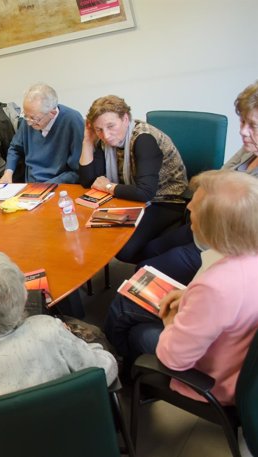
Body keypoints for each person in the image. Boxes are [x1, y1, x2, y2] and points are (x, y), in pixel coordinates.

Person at [105, 82, 258, 368]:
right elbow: (218, 180)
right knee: (147, 255)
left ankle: (122, 362)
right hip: (206, 231)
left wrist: (176, 312)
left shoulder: (221, 280)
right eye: (242, 122)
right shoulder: (249, 152)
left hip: (217, 246)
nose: (243, 131)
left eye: (252, 125)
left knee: (139, 282)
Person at [0, 251, 116, 404]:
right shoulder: (47, 330)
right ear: (22, 300)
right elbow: (104, 373)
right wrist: (92, 348)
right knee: (96, 336)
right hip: (69, 428)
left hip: (2, 442)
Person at [154, 170, 258, 405]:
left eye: (194, 208)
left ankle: (133, 382)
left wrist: (170, 321)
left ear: (215, 227)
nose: (189, 208)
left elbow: (174, 359)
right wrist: (191, 296)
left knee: (128, 321)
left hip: (218, 381)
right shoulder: (247, 255)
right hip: (242, 361)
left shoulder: (216, 287)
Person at [79, 95, 188, 264]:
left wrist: (107, 186)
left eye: (111, 126)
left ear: (125, 119)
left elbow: (145, 192)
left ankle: (159, 259)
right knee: (93, 232)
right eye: (99, 129)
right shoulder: (103, 141)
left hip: (166, 200)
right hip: (129, 196)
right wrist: (87, 140)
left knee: (124, 250)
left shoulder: (144, 139)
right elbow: (89, 181)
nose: (106, 135)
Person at [0, 84, 84, 184]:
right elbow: (15, 148)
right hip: (31, 186)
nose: (29, 123)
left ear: (52, 113)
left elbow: (77, 169)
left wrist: (48, 185)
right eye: (26, 116)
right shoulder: (29, 120)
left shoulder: (72, 120)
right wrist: (8, 173)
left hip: (59, 185)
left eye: (34, 118)